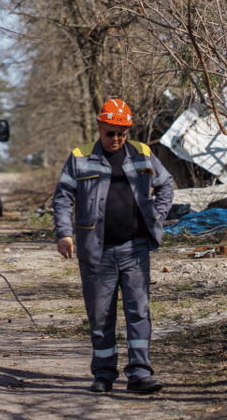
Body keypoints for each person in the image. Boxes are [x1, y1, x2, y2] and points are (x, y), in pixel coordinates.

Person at [53, 98, 174, 394]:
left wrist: (156, 220)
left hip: (135, 249)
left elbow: (167, 184)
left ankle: (140, 374)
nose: (116, 139)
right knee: (100, 315)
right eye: (110, 133)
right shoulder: (80, 157)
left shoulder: (143, 153)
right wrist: (64, 233)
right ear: (99, 126)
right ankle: (104, 374)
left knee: (139, 312)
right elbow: (62, 197)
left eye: (122, 133)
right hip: (96, 252)